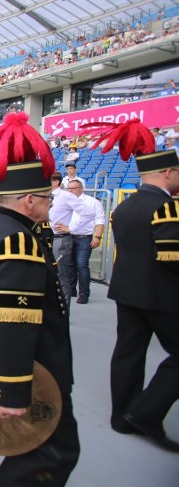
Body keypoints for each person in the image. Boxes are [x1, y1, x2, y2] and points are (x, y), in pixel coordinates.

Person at [0, 112, 79, 486]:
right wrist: (12, 388)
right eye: (46, 197)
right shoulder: (17, 240)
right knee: (54, 452)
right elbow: (12, 321)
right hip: (14, 371)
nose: (50, 204)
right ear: (27, 201)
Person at [99, 120, 179, 452]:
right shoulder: (165, 207)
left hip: (126, 291)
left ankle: (122, 416)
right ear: (168, 173)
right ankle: (145, 412)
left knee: (128, 353)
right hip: (159, 294)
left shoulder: (126, 205)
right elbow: (171, 256)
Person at [57, 179, 105, 304]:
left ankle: (84, 293)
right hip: (68, 237)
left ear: (81, 188)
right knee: (69, 264)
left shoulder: (93, 202)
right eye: (69, 188)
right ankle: (72, 289)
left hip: (84, 237)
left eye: (74, 188)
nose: (71, 191)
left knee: (82, 265)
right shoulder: (65, 201)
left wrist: (97, 236)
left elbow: (100, 220)